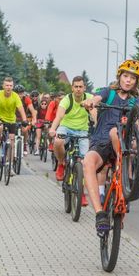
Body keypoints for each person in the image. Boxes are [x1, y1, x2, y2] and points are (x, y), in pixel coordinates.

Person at [82, 60, 139, 233]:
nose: (128, 80)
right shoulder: (109, 92)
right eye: (125, 76)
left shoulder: (136, 101)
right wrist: (91, 102)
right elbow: (97, 98)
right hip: (101, 142)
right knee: (88, 162)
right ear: (119, 77)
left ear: (136, 82)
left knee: (117, 132)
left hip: (124, 145)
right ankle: (99, 214)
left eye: (132, 78)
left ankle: (128, 179)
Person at [49, 76, 93, 207]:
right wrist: (53, 129)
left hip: (82, 131)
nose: (78, 89)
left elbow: (95, 114)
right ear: (72, 88)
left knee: (84, 162)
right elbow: (59, 116)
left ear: (84, 88)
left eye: (81, 87)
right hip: (66, 128)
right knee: (58, 142)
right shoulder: (66, 100)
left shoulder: (89, 98)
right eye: (76, 87)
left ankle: (81, 193)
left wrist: (97, 126)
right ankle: (61, 164)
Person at [0, 78, 28, 167]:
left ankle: (9, 165)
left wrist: (24, 120)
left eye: (10, 85)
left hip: (11, 120)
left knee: (12, 142)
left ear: (12, 87)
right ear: (3, 86)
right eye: (7, 85)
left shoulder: (15, 96)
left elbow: (21, 109)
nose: (8, 87)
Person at [15, 84, 37, 155]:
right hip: (13, 118)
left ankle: (24, 145)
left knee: (24, 130)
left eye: (21, 93)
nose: (19, 95)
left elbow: (32, 110)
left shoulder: (26, 99)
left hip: (23, 118)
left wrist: (34, 120)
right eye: (18, 93)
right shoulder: (12, 98)